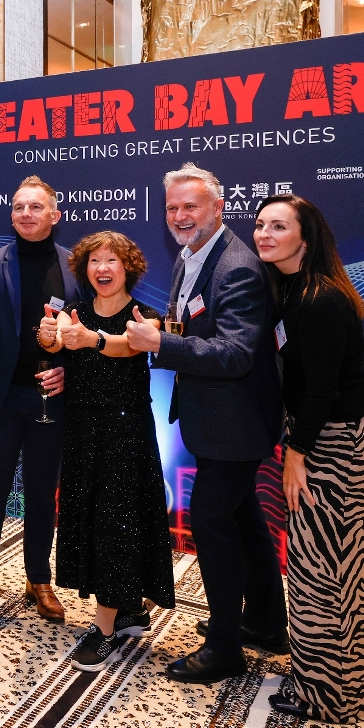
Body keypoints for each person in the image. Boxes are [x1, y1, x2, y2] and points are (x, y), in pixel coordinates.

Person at [127, 163, 287, 684]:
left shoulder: (236, 266)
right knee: (244, 519)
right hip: (213, 418)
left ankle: (224, 648)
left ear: (218, 208)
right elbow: (194, 324)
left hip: (235, 424)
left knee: (214, 525)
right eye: (172, 208)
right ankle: (265, 622)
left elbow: (236, 353)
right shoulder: (191, 256)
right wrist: (160, 331)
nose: (179, 216)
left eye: (190, 206)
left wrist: (161, 343)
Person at [253, 195, 364, 722]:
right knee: (347, 560)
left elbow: (320, 389)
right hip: (332, 431)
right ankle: (362, 673)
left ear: (305, 238)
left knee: (322, 568)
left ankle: (329, 695)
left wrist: (296, 454)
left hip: (336, 440)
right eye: (260, 224)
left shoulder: (318, 299)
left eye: (278, 226)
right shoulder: (293, 287)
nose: (264, 234)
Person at [38, 231, 175, 671]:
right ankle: (128, 608)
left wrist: (91, 340)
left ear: (127, 267)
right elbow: (57, 340)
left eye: (111, 260)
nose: (102, 268)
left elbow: (129, 345)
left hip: (125, 435)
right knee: (94, 521)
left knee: (117, 525)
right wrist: (48, 336)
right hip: (82, 433)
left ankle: (105, 631)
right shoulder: (74, 311)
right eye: (95, 260)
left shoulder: (145, 316)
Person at [0, 175, 80, 639]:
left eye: (35, 207)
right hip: (4, 398)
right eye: (18, 207)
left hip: (51, 397)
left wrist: (68, 369)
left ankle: (39, 580)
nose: (25, 214)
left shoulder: (74, 265)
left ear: (55, 214)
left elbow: (83, 329)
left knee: (42, 493)